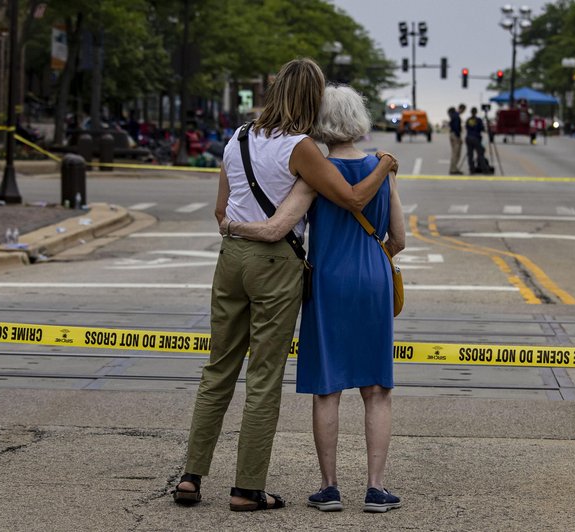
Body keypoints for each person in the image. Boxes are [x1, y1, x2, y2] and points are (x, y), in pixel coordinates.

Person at [173, 59, 398, 512]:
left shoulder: (236, 138)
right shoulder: (302, 148)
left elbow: (222, 212)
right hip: (274, 263)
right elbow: (352, 197)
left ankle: (191, 477)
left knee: (218, 369)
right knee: (263, 376)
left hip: (231, 260)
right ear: (311, 99)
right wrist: (387, 164)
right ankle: (246, 488)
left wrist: (237, 231)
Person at [465, 107, 487, 175]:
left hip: (468, 138)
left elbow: (467, 128)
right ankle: (484, 169)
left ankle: (472, 169)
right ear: (476, 112)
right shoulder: (478, 120)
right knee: (480, 154)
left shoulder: (468, 120)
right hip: (476, 138)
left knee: (470, 155)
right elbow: (482, 129)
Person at [448, 103, 466, 174]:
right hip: (455, 135)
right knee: (456, 153)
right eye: (463, 110)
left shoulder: (453, 115)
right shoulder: (456, 116)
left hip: (452, 134)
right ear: (462, 109)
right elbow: (456, 128)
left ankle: (454, 168)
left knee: (455, 153)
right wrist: (459, 137)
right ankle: (453, 169)